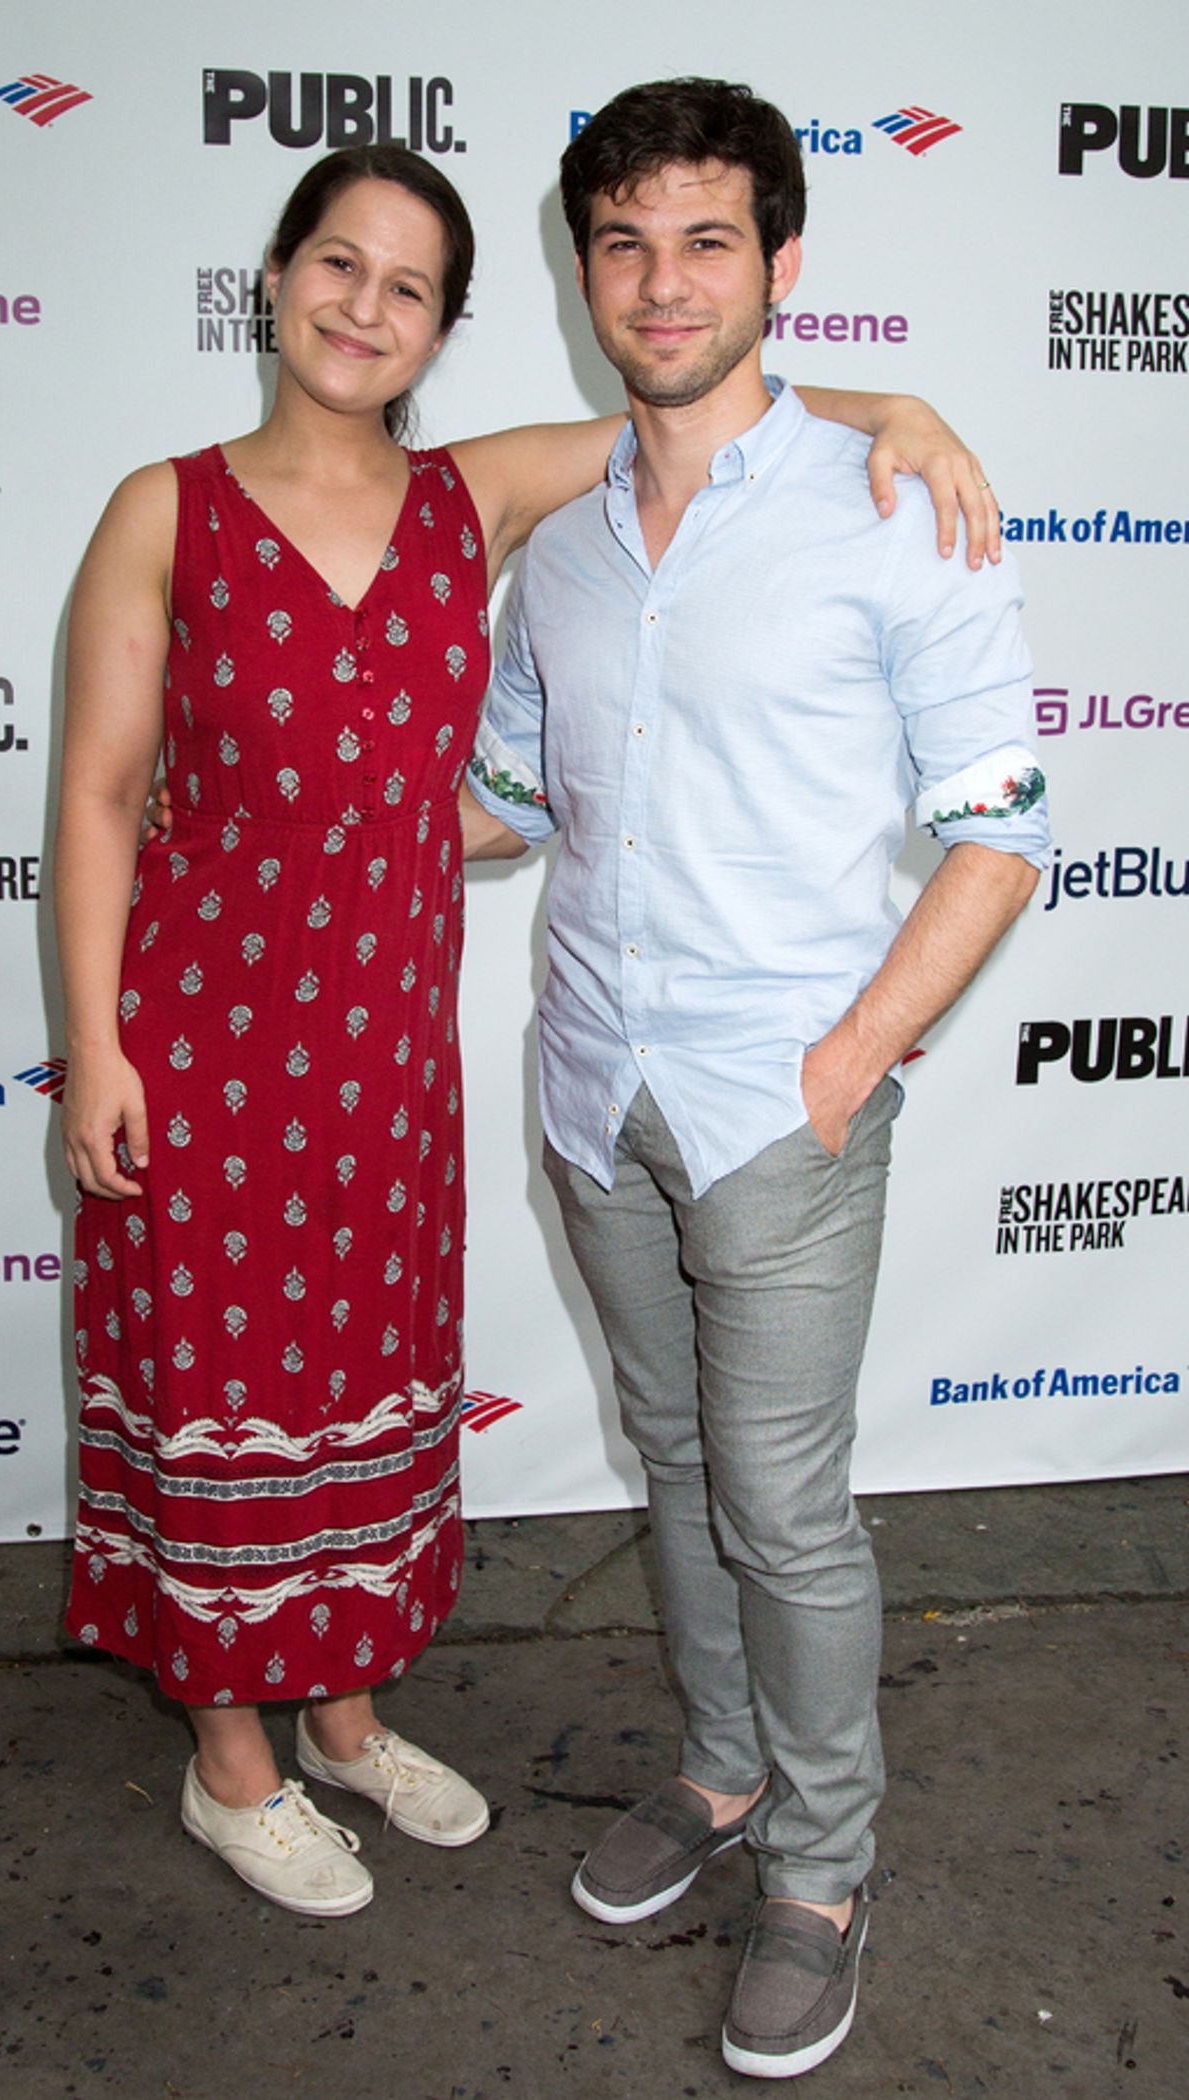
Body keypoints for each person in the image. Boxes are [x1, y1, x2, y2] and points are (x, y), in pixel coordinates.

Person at [54, 141, 1003, 1924]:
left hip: (385, 1051)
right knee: (220, 1391)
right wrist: (95, 1050)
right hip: (201, 1041)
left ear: (444, 330)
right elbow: (100, 792)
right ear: (276, 277)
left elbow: (710, 399)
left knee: (349, 1382)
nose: (362, 307)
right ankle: (230, 1759)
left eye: (406, 288)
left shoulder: (467, 498)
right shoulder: (161, 507)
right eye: (336, 264)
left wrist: (911, 404)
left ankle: (339, 1713)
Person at [461, 81, 1049, 2079]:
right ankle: (721, 1774)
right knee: (679, 1459)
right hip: (589, 1088)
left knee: (787, 1509)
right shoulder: (554, 549)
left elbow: (996, 830)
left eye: (706, 240)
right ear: (582, 271)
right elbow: (507, 800)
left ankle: (818, 1868)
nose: (662, 280)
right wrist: (294, 813)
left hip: (778, 1106)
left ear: (782, 269)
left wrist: (848, 1060)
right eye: (623, 242)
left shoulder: (898, 504)